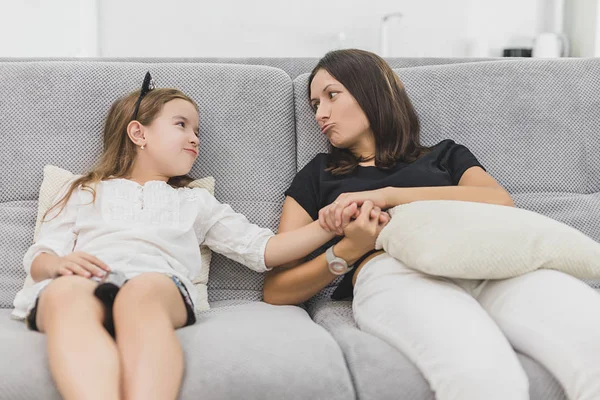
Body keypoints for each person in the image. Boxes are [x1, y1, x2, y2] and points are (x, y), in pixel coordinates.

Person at [11, 72, 387, 400]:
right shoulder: (84, 190)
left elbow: (264, 249)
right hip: (84, 280)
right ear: (138, 132)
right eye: (181, 125)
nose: (194, 138)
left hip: (155, 285)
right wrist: (58, 265)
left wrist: (327, 226)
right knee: (64, 292)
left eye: (197, 131)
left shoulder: (195, 202)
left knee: (142, 292)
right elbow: (41, 254)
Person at [263, 49, 600, 400]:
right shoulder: (319, 174)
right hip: (397, 273)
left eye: (332, 96)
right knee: (484, 377)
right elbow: (276, 289)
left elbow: (499, 202)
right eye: (315, 104)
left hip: (492, 264)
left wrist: (387, 195)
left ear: (374, 91)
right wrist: (349, 250)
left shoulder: (445, 155)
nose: (321, 113)